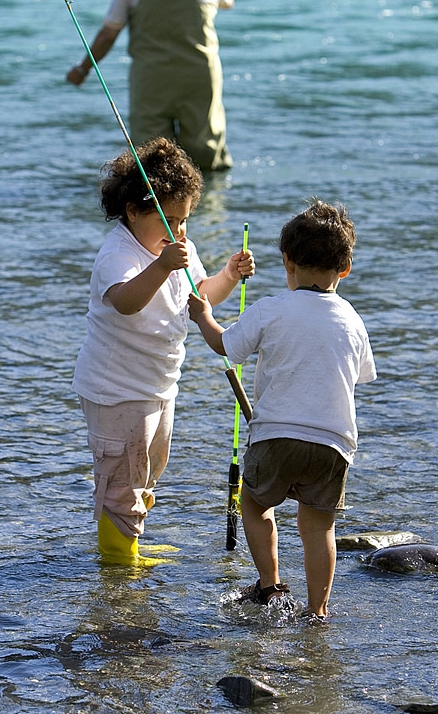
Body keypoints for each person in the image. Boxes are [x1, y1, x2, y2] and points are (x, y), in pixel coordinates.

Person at [188, 200, 376, 618]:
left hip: (275, 433)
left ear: (287, 261)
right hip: (333, 442)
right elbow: (360, 376)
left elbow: (227, 347)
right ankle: (318, 611)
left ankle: (270, 585)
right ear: (345, 269)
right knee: (318, 526)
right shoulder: (353, 319)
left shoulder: (270, 308)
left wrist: (203, 316)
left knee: (255, 505)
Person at [72, 137, 254, 564]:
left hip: (159, 384)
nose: (181, 232)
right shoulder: (119, 254)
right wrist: (161, 265)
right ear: (134, 211)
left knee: (150, 467)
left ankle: (131, 538)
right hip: (115, 389)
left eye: (186, 220)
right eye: (170, 220)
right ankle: (118, 559)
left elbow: (201, 295)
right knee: (122, 475)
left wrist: (227, 274)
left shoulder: (176, 250)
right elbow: (126, 301)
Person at [66, 0, 234, 172]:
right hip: (199, 75)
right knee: (206, 152)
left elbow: (108, 34)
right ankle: (212, 207)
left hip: (151, 79)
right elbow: (227, 3)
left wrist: (83, 69)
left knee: (152, 159)